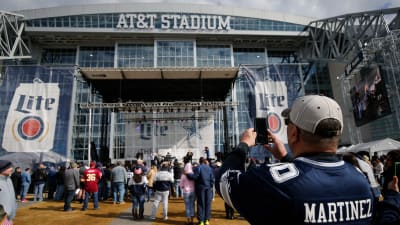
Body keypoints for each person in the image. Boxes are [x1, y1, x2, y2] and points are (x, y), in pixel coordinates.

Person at [216, 95, 374, 224]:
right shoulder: (360, 178)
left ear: (294, 133)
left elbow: (224, 181)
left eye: (288, 123)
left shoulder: (274, 180)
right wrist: (286, 157)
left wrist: (243, 145)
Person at [187, 157, 214, 225]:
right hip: (208, 188)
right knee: (208, 204)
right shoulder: (209, 168)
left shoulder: (198, 167)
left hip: (200, 188)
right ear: (204, 161)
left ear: (199, 161)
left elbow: (195, 177)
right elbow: (212, 178)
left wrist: (188, 174)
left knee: (201, 204)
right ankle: (207, 220)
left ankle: (201, 221)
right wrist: (210, 186)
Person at [180, 156, 195, 225]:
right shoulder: (193, 174)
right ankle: (192, 220)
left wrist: (183, 187)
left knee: (187, 206)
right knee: (192, 205)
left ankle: (188, 221)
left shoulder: (183, 175)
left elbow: (181, 185)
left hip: (186, 192)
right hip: (193, 191)